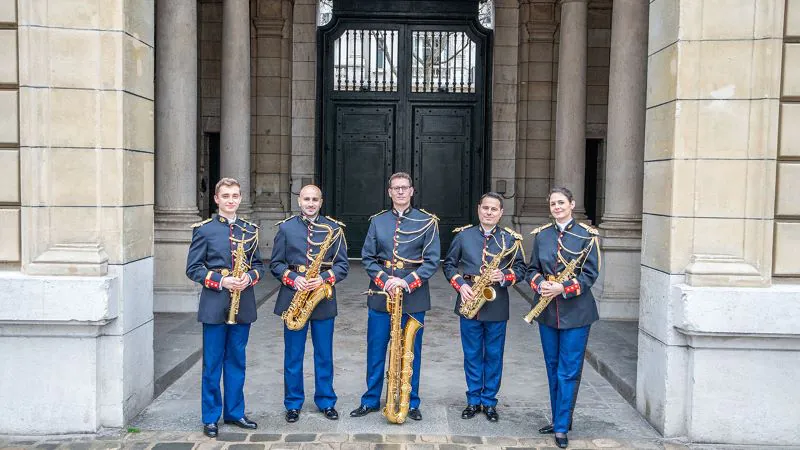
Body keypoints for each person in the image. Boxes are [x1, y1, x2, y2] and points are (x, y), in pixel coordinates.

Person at [350, 172, 440, 421]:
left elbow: (432, 262)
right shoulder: (377, 222)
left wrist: (406, 281)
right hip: (382, 294)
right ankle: (370, 400)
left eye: (405, 188)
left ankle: (410, 402)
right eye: (395, 188)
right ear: (389, 192)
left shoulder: (427, 222)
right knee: (376, 349)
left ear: (412, 191)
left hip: (413, 296)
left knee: (411, 351)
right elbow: (367, 257)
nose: (400, 192)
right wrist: (386, 280)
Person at [186, 177, 266, 438]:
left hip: (242, 303)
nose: (231, 200)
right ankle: (210, 417)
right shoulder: (204, 230)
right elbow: (194, 269)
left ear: (240, 199)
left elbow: (260, 266)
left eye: (235, 196)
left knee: (237, 361)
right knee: (212, 363)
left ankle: (235, 412)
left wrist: (249, 278)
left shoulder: (250, 229)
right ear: (217, 199)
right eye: (226, 196)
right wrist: (222, 280)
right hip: (215, 303)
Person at [525, 187, 601, 449]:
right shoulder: (542, 235)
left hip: (576, 313)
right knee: (552, 367)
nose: (556, 207)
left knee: (568, 371)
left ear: (572, 204)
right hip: (547, 313)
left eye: (561, 203)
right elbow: (532, 269)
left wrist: (562, 288)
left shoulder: (586, 236)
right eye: (553, 203)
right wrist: (540, 285)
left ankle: (560, 427)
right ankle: (561, 418)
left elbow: (590, 275)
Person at [442, 192, 526, 422]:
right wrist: (460, 285)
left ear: (501, 213)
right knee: (471, 354)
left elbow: (521, 270)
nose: (489, 212)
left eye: (494, 209)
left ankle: (489, 401)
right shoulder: (463, 236)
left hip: (496, 302)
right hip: (469, 298)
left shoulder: (511, 240)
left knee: (494, 355)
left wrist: (504, 275)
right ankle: (472, 400)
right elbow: (449, 265)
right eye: (485, 208)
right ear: (479, 209)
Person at [269, 185, 349, 423]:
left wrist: (322, 278)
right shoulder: (286, 228)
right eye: (306, 199)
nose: (311, 203)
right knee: (293, 355)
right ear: (299, 201)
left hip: (322, 298)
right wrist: (295, 279)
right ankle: (293, 403)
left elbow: (343, 266)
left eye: (315, 199)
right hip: (294, 296)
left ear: (321, 202)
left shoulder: (334, 229)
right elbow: (275, 264)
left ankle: (326, 401)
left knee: (324, 354)